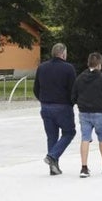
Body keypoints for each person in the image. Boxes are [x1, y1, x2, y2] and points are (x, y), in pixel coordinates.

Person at [71, 52, 102, 178]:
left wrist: (78, 103)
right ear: (99, 64)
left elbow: (74, 95)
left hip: (84, 112)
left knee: (85, 138)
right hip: (99, 112)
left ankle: (84, 167)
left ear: (88, 63)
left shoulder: (80, 77)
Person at [33, 43, 77, 176]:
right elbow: (73, 89)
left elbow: (36, 88)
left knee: (51, 136)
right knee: (69, 132)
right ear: (63, 54)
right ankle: (52, 156)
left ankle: (53, 167)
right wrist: (72, 102)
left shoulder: (42, 67)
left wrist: (43, 100)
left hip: (46, 106)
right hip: (62, 106)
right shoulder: (68, 68)